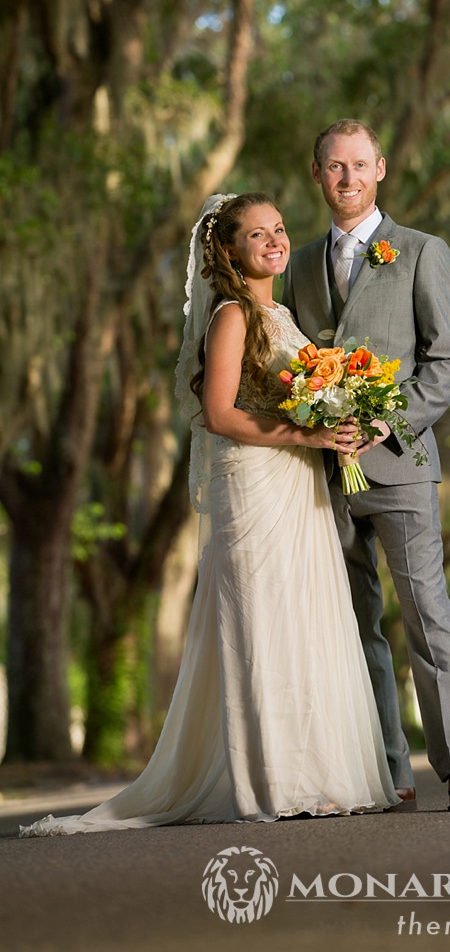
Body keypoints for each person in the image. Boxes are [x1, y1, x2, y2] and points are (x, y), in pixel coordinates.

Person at [22, 194, 396, 836]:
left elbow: (300, 394)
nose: (276, 242)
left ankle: (323, 777)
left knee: (305, 619)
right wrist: (307, 435)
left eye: (279, 230)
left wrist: (342, 416)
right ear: (227, 251)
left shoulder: (278, 311)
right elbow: (220, 415)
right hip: (251, 485)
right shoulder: (230, 315)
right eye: (258, 235)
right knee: (261, 627)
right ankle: (274, 783)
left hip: (296, 482)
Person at [281, 119, 450, 812]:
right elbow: (291, 365)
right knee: (351, 622)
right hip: (321, 479)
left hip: (400, 466)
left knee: (427, 613)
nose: (347, 178)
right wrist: (312, 420)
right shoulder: (299, 264)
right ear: (317, 175)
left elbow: (448, 360)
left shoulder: (424, 252)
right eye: (334, 167)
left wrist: (381, 420)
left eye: (359, 166)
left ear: (381, 169)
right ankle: (386, 770)